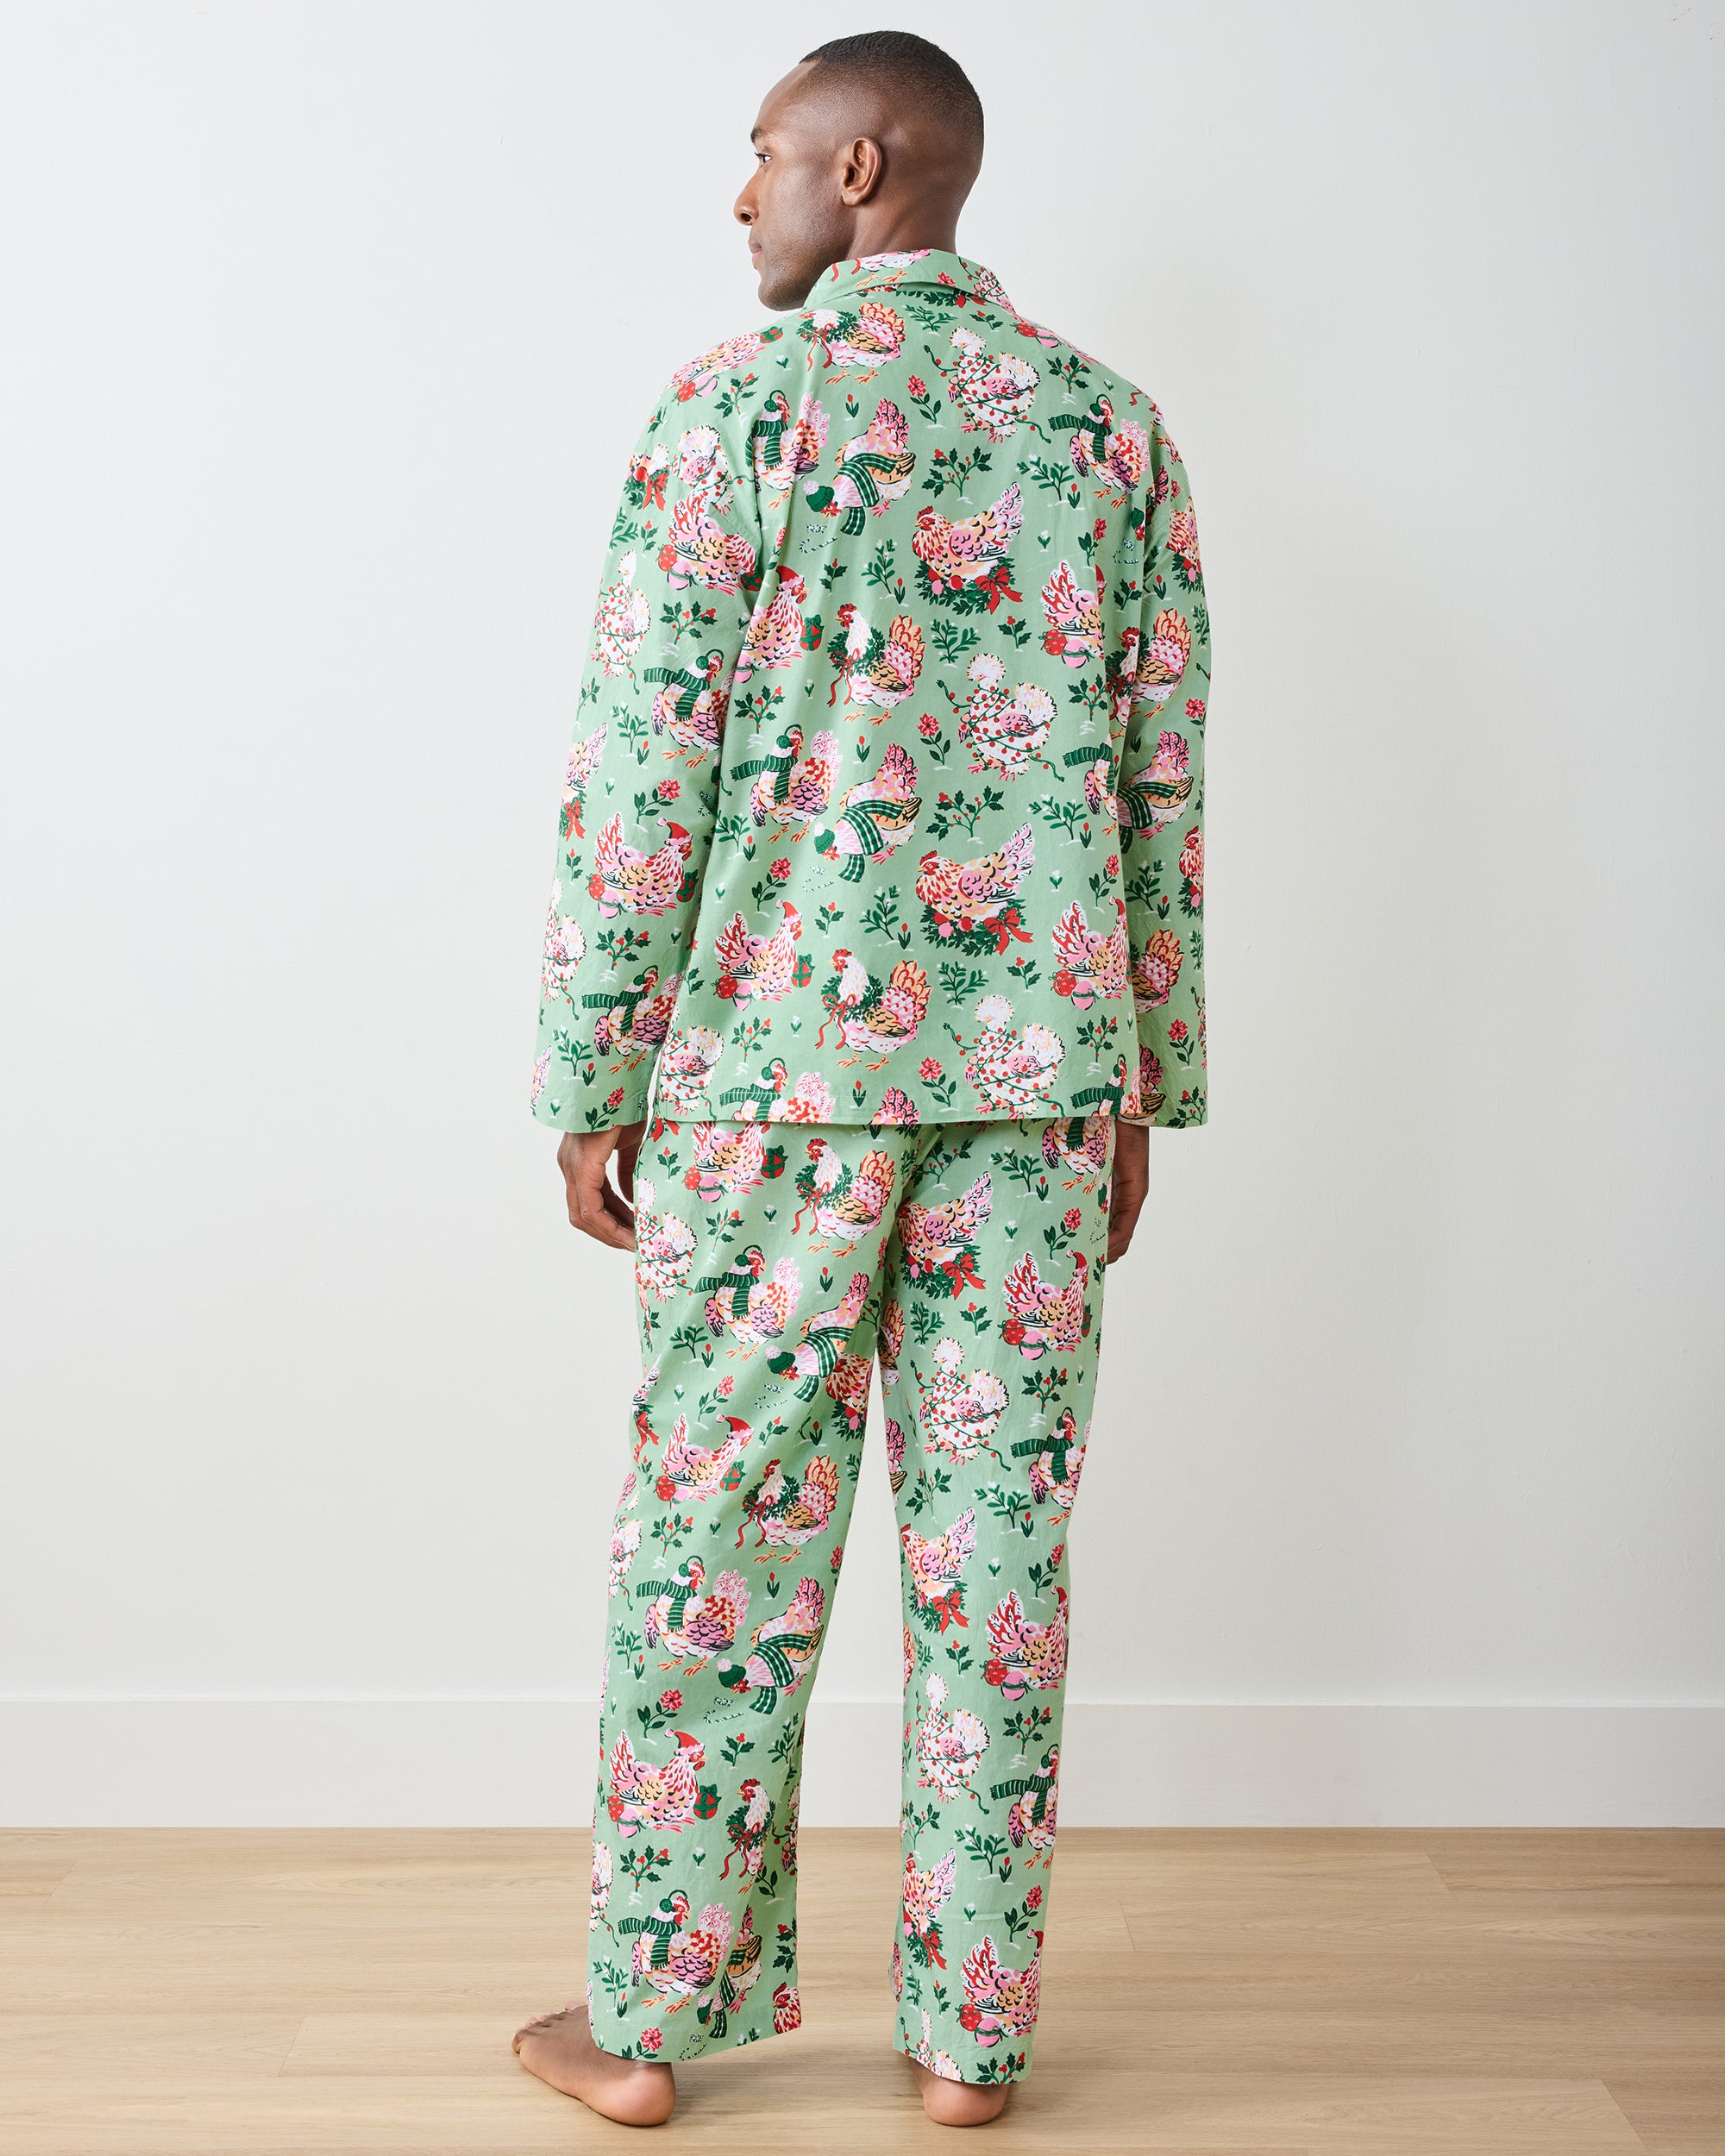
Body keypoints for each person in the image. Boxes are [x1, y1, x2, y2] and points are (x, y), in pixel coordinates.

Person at [512, 28, 1208, 2129]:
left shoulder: (734, 409)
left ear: (862, 164)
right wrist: (1139, 1079)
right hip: (1036, 1089)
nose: (741, 194)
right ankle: (968, 2040)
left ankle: (647, 2026)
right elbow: (1156, 774)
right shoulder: (1108, 428)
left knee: (716, 1535)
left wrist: (593, 1066)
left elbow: (644, 764)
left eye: (764, 154)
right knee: (997, 1560)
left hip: (768, 1076)